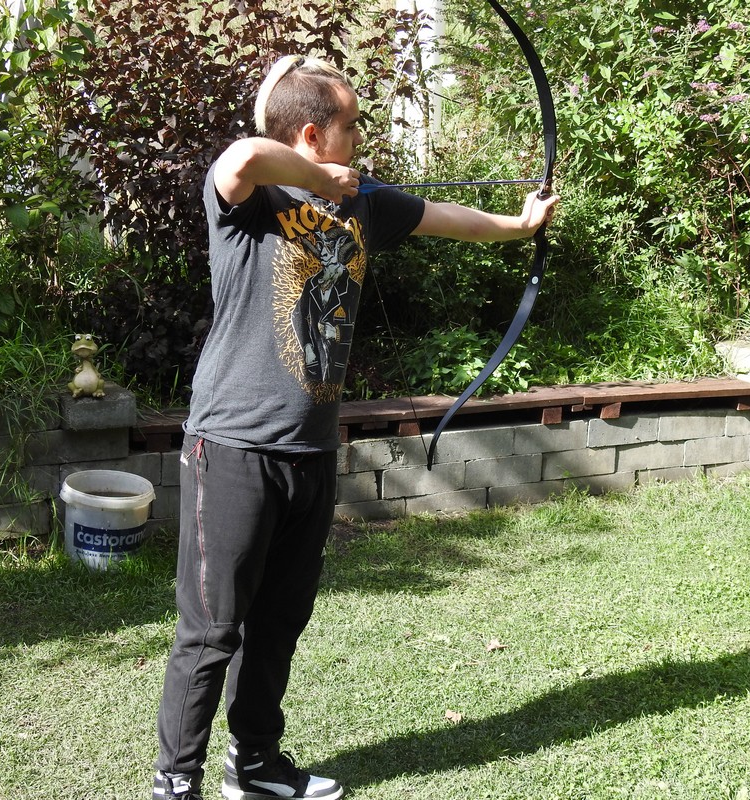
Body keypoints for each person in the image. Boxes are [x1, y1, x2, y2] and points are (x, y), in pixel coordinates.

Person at [151, 54, 559, 800]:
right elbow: (241, 155)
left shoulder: (363, 202)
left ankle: (255, 766)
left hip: (310, 446)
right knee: (211, 630)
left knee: (280, 621)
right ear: (313, 134)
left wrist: (518, 224)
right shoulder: (251, 199)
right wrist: (319, 179)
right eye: (352, 125)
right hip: (233, 447)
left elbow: (447, 219)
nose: (362, 138)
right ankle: (176, 783)